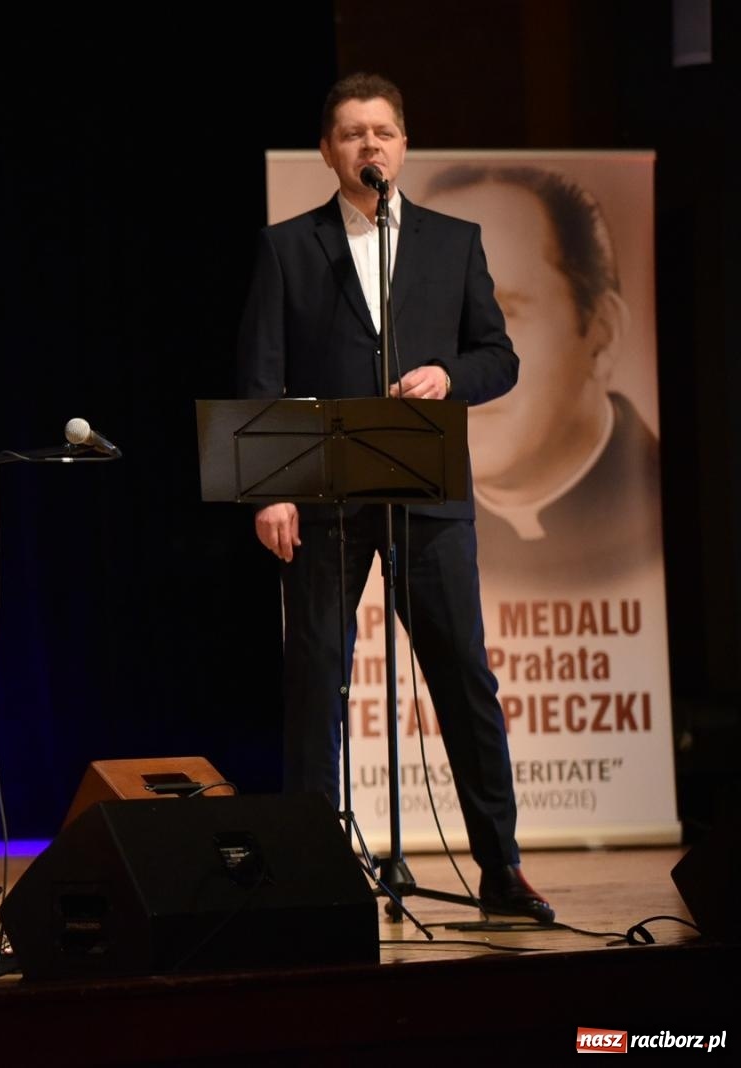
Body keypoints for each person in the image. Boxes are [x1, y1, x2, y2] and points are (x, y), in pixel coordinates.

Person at [234, 73, 552, 921]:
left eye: (382, 132)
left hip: (427, 495)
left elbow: (499, 356)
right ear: (328, 151)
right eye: (350, 133)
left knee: (464, 681)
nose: (368, 146)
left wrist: (451, 374)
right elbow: (262, 374)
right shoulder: (287, 247)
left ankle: (501, 865)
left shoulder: (454, 242)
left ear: (403, 145)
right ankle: (305, 870)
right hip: (325, 501)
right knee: (314, 683)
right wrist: (273, 490)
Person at [422, 164, 662, 589]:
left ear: (601, 336)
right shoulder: (389, 525)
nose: (456, 357)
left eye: (502, 313)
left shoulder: (674, 513)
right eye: (434, 315)